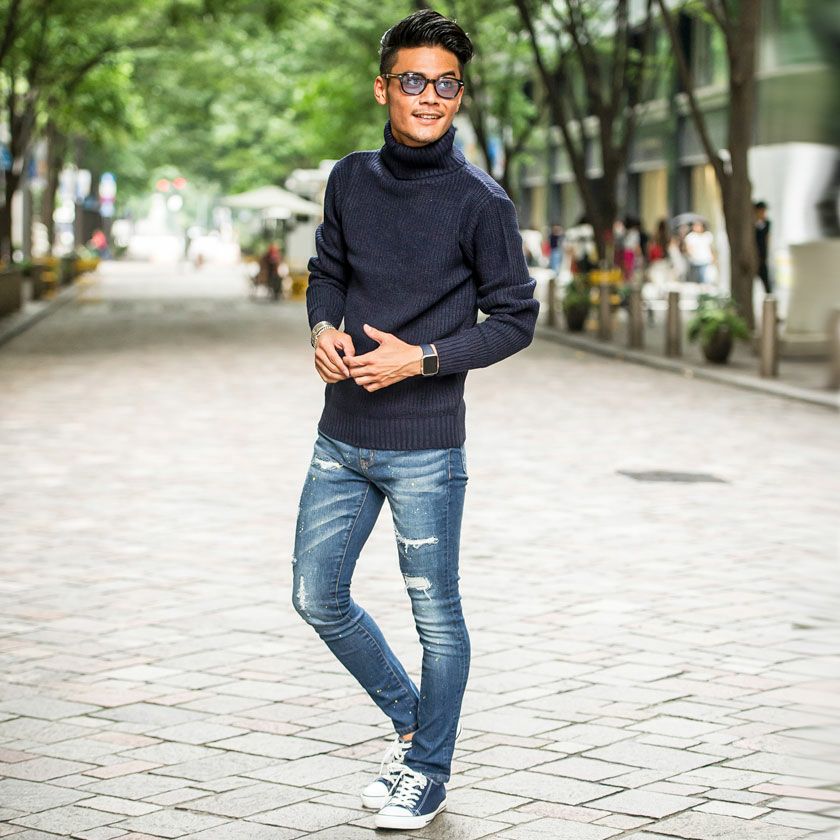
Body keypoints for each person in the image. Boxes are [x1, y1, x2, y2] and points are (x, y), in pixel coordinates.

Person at [292, 10, 538, 832]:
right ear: (383, 88)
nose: (429, 96)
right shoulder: (349, 178)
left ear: (459, 95)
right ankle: (414, 728)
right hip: (341, 437)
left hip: (427, 444)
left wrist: (421, 359)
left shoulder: (481, 203)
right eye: (412, 80)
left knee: (438, 618)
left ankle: (428, 772)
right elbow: (326, 271)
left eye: (445, 83)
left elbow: (516, 319)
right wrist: (322, 328)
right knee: (316, 596)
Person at [684, 219, 716, 284]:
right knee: (696, 279)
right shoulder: (690, 237)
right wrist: (692, 254)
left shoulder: (707, 235)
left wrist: (713, 258)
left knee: (704, 278)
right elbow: (688, 248)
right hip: (695, 261)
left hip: (706, 260)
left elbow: (710, 248)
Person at [754, 201, 772, 294]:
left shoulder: (767, 223)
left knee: (766, 281)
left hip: (762, 256)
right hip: (752, 255)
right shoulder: (751, 224)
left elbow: (767, 239)